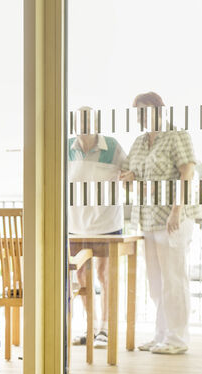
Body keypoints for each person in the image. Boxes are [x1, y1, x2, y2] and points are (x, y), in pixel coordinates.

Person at [120, 92, 199, 355]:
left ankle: (177, 339)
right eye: (138, 112)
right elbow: (131, 175)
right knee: (156, 281)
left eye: (145, 110)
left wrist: (177, 211)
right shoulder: (140, 142)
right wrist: (129, 177)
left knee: (174, 279)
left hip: (172, 218)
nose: (141, 117)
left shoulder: (176, 135)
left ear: (158, 110)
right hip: (147, 219)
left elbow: (187, 173)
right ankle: (161, 335)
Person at [68, 106, 127, 349]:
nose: (84, 124)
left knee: (105, 275)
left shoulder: (111, 146)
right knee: (81, 276)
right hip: (76, 223)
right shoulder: (68, 147)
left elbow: (128, 172)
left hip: (106, 222)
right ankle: (91, 328)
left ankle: (106, 329)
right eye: (79, 119)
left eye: (88, 119)